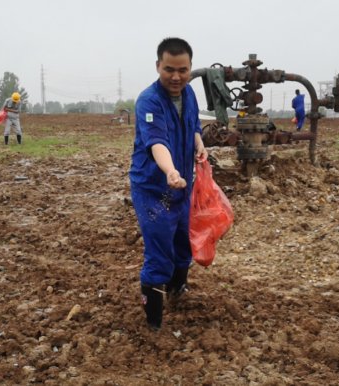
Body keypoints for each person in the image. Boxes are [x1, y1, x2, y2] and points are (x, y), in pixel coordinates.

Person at [129, 37, 207, 330]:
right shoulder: (148, 101)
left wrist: (198, 143)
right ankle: (154, 325)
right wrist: (171, 171)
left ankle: (177, 293)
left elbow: (194, 126)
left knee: (184, 244)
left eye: (182, 70)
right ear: (158, 66)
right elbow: (157, 142)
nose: (176, 77)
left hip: (182, 186)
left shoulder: (189, 95)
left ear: (190, 68)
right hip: (154, 190)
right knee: (160, 251)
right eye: (169, 69)